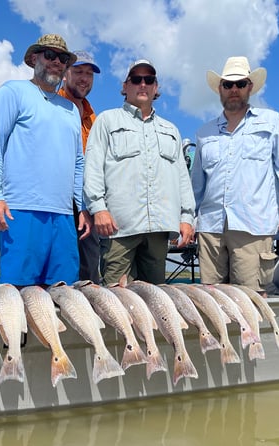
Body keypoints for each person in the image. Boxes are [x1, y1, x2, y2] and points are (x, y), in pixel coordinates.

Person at [0, 34, 92, 286]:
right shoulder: (12, 92)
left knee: (65, 293)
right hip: (21, 210)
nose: (56, 62)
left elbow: (77, 162)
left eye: (62, 58)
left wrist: (81, 206)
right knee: (18, 293)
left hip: (63, 216)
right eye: (49, 55)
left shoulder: (72, 110)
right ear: (33, 58)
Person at [191, 56, 279, 293]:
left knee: (252, 300)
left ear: (250, 87)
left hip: (253, 226)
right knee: (212, 300)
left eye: (240, 84)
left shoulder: (271, 121)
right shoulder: (204, 133)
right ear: (219, 88)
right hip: (210, 229)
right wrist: (189, 219)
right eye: (228, 84)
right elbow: (197, 186)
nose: (234, 89)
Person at [83, 59, 196, 285]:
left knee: (156, 300)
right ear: (125, 86)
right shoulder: (106, 120)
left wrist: (187, 218)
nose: (142, 84)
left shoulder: (170, 130)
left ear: (156, 88)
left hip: (159, 229)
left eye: (149, 79)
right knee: (115, 299)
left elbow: (182, 178)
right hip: (119, 227)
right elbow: (93, 167)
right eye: (136, 79)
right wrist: (99, 209)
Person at [58, 50, 101, 283]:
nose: (84, 78)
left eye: (89, 74)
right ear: (65, 74)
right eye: (78, 71)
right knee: (60, 272)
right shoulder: (52, 107)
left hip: (89, 205)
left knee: (90, 272)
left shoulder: (95, 119)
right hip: (59, 204)